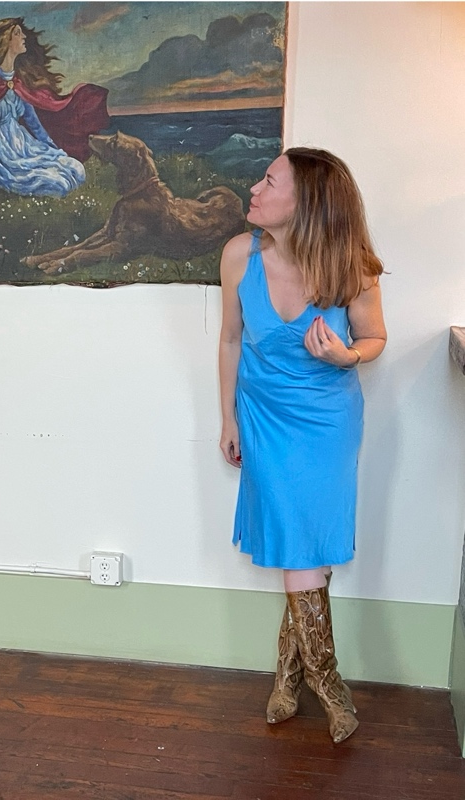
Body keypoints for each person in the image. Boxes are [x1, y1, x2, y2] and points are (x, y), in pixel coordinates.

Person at [218, 147, 387, 743]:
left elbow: (374, 338)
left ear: (305, 204)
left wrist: (347, 355)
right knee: (300, 547)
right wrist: (229, 419)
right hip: (265, 417)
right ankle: (328, 684)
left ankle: (293, 680)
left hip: (327, 421)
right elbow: (232, 342)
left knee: (305, 547)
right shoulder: (240, 256)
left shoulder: (351, 264)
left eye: (269, 181)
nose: (255, 188)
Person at [0, 18, 109, 200]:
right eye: (17, 33)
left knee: (77, 169)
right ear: (5, 39)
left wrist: (54, 150)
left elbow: (34, 124)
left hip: (24, 145)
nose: (23, 37)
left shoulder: (18, 81)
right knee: (59, 185)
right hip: (2, 155)